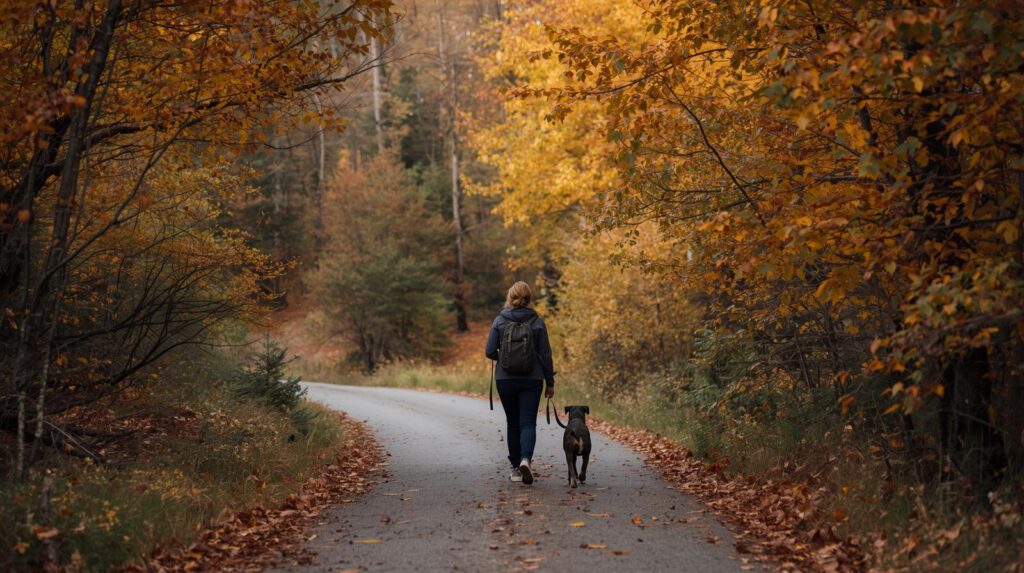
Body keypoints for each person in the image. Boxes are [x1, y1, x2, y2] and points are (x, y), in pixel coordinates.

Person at [485, 281, 556, 485]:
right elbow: (546, 354)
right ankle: (526, 459)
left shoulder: (500, 320)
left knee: (512, 422)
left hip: (505, 379)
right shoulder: (538, 322)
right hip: (532, 379)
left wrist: (505, 359)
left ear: (510, 297)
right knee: (528, 423)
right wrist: (550, 382)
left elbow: (489, 351)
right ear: (529, 299)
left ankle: (516, 469)